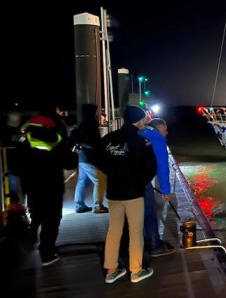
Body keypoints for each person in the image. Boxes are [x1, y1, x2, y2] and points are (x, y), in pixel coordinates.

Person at [94, 106, 157, 284]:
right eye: (144, 119)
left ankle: (111, 270)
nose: (145, 122)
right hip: (134, 193)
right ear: (137, 121)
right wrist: (140, 181)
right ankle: (136, 271)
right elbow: (150, 167)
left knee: (114, 231)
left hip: (114, 192)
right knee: (135, 232)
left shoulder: (108, 139)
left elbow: (96, 157)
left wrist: (111, 172)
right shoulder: (141, 141)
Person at [11, 114, 78, 266]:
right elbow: (70, 162)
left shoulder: (24, 141)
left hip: (31, 186)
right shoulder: (56, 139)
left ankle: (31, 236)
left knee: (36, 213)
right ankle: (47, 253)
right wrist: (73, 153)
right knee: (52, 219)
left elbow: (14, 168)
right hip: (52, 186)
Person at [139, 118, 175, 257]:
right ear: (159, 129)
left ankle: (132, 245)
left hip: (125, 183)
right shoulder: (158, 141)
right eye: (165, 129)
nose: (167, 132)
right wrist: (166, 191)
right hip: (143, 183)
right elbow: (162, 169)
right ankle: (155, 246)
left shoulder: (141, 134)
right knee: (149, 214)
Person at [71, 104, 108, 213]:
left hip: (83, 157)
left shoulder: (82, 124)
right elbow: (93, 142)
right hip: (90, 158)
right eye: (96, 111)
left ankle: (79, 205)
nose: (98, 113)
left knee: (83, 181)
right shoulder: (90, 124)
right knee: (100, 179)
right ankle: (97, 205)